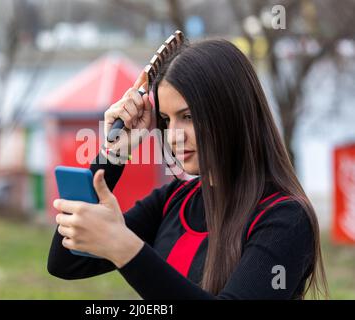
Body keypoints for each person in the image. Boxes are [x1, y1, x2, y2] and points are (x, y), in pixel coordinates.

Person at [47, 38, 328, 300]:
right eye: (166, 121)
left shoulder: (285, 219)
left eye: (189, 117)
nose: (173, 136)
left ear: (232, 111)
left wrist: (125, 248)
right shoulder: (172, 201)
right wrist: (114, 152)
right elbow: (68, 261)